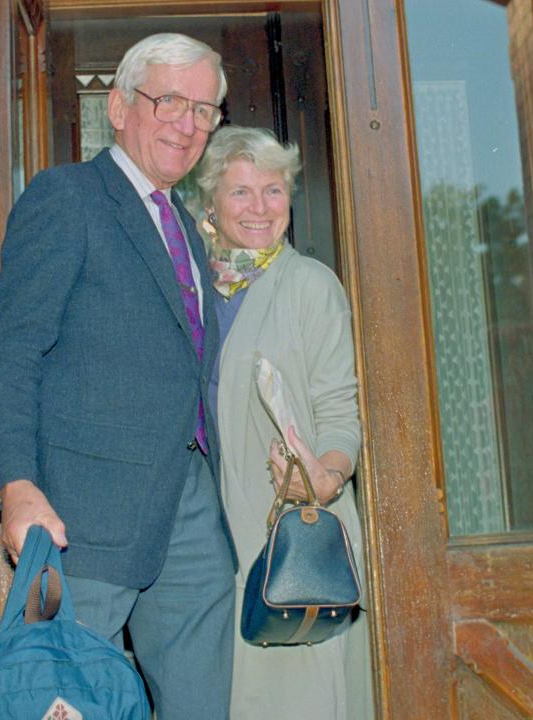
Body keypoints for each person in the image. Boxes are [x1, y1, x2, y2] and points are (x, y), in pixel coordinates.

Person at [0, 34, 236, 720]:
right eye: (171, 101)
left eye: (205, 110)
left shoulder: (184, 224)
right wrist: (16, 485)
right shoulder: (67, 197)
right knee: (66, 703)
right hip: (83, 518)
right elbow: (14, 350)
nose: (188, 124)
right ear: (119, 107)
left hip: (190, 517)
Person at [195, 126, 374, 719]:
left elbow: (340, 411)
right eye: (241, 192)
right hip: (202, 540)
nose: (259, 208)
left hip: (284, 532)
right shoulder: (191, 288)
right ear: (210, 202)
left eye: (273, 191)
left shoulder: (310, 286)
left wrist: (327, 475)